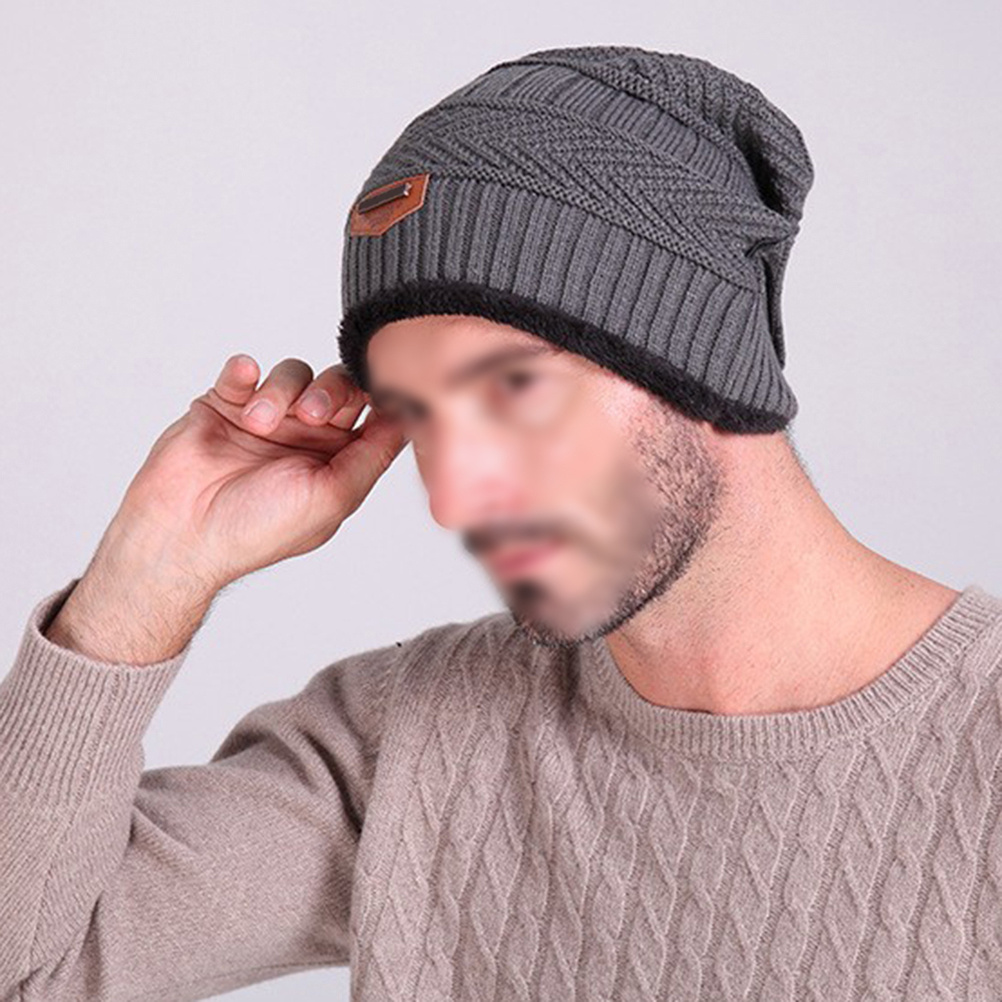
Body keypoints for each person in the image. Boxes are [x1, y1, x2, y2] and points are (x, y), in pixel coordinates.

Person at [3, 44, 1001, 1002]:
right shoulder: (406, 738)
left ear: (701, 361)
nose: (457, 495)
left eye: (514, 388)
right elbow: (29, 968)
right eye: (419, 417)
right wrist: (149, 575)